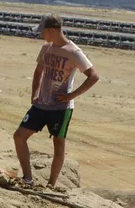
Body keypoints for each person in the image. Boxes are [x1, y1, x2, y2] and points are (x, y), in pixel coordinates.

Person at [13, 15, 99, 190]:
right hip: (41, 104)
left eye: (42, 32)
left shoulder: (74, 52)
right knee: (19, 136)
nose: (41, 35)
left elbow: (94, 76)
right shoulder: (46, 48)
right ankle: (28, 177)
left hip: (61, 107)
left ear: (52, 30)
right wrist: (34, 93)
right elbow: (38, 71)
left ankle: (51, 184)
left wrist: (72, 95)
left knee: (59, 144)